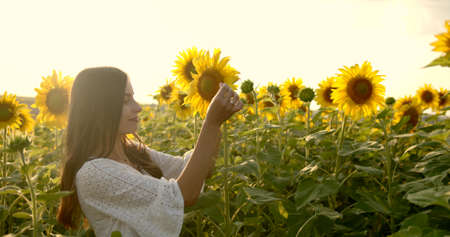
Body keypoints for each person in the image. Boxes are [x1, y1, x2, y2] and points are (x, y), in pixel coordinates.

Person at [56, 67, 243, 236]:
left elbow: (194, 168)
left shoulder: (131, 151)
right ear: (99, 109)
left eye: (133, 97)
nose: (138, 108)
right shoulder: (94, 172)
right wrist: (211, 123)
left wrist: (216, 120)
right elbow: (182, 196)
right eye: (126, 100)